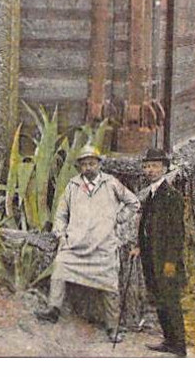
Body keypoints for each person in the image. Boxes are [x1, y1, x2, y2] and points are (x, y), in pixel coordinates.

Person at [40, 145, 140, 340]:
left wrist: (118, 218)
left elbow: (133, 202)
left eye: (92, 163)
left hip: (103, 245)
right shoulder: (72, 186)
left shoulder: (111, 183)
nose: (89, 167)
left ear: (99, 164)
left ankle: (112, 327)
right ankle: (53, 309)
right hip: (76, 245)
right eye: (84, 164)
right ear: (79, 167)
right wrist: (61, 233)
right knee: (60, 266)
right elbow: (60, 214)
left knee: (110, 284)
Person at [136, 147, 188, 356]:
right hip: (152, 257)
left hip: (166, 260)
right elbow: (146, 225)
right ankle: (169, 340)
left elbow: (177, 233)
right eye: (147, 166)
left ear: (165, 168)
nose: (150, 170)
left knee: (170, 300)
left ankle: (179, 345)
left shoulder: (171, 196)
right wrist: (139, 246)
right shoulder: (151, 193)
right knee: (160, 298)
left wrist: (170, 263)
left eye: (155, 166)